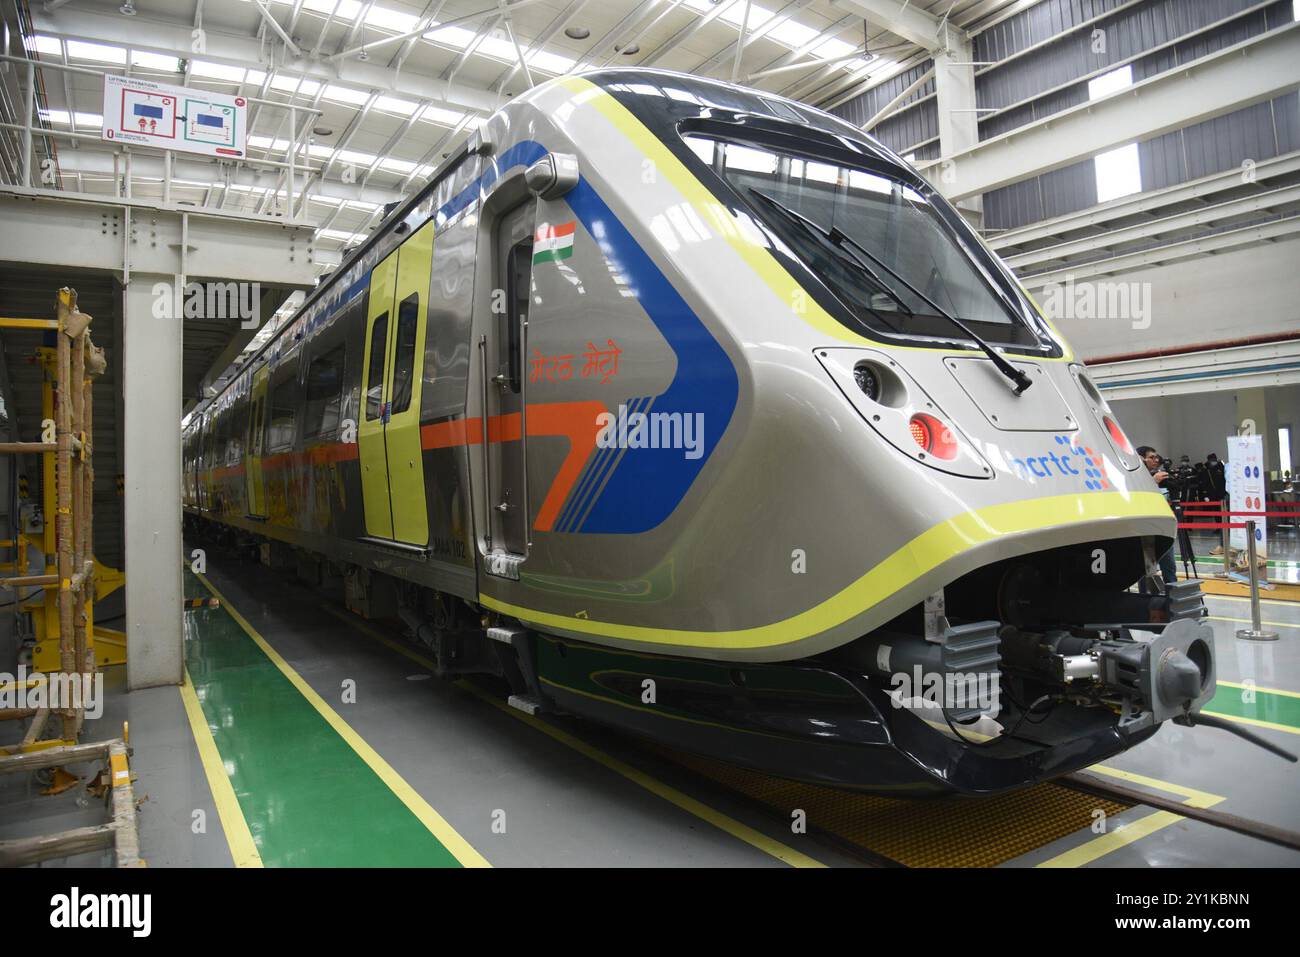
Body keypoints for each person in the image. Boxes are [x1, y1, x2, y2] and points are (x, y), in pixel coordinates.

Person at [1136, 445, 1178, 590]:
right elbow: (1137, 499)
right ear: (1141, 459)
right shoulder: (1134, 478)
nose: (1156, 460)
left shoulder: (1160, 474)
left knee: (1170, 568)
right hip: (1146, 531)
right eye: (1151, 457)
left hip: (1163, 528)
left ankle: (1172, 601)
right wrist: (1153, 481)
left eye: (1156, 457)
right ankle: (1145, 603)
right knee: (1147, 572)